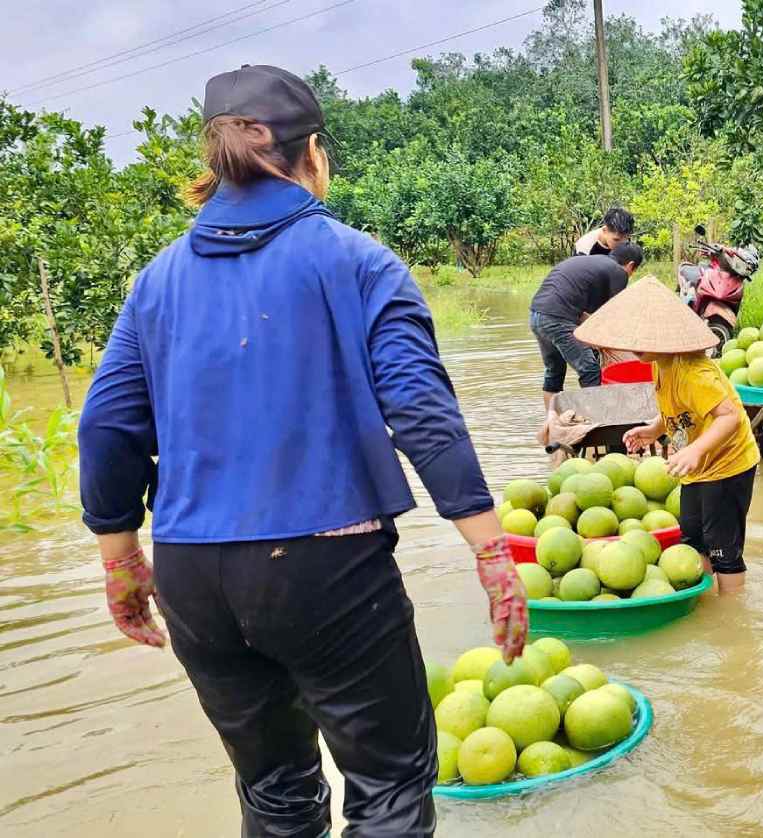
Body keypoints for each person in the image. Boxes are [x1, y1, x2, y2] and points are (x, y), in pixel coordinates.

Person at [77, 65, 527, 838]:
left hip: (192, 572)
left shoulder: (156, 283)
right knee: (387, 789)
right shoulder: (358, 262)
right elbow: (420, 409)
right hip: (326, 569)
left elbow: (108, 426)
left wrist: (121, 557)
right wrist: (490, 553)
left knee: (276, 795)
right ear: (311, 154)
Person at [576, 277, 760, 594]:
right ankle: (702, 600)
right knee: (692, 539)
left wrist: (695, 450)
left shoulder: (694, 372)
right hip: (697, 467)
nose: (633, 345)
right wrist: (654, 428)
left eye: (643, 339)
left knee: (723, 549)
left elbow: (728, 417)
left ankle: (732, 614)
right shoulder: (660, 363)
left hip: (728, 465)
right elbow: (678, 410)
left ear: (665, 338)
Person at [530, 243, 644, 407]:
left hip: (536, 315)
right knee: (590, 370)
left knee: (554, 373)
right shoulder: (618, 271)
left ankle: (550, 420)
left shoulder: (593, 265)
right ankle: (598, 420)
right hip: (558, 319)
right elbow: (615, 314)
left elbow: (586, 315)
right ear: (631, 265)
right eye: (633, 271)